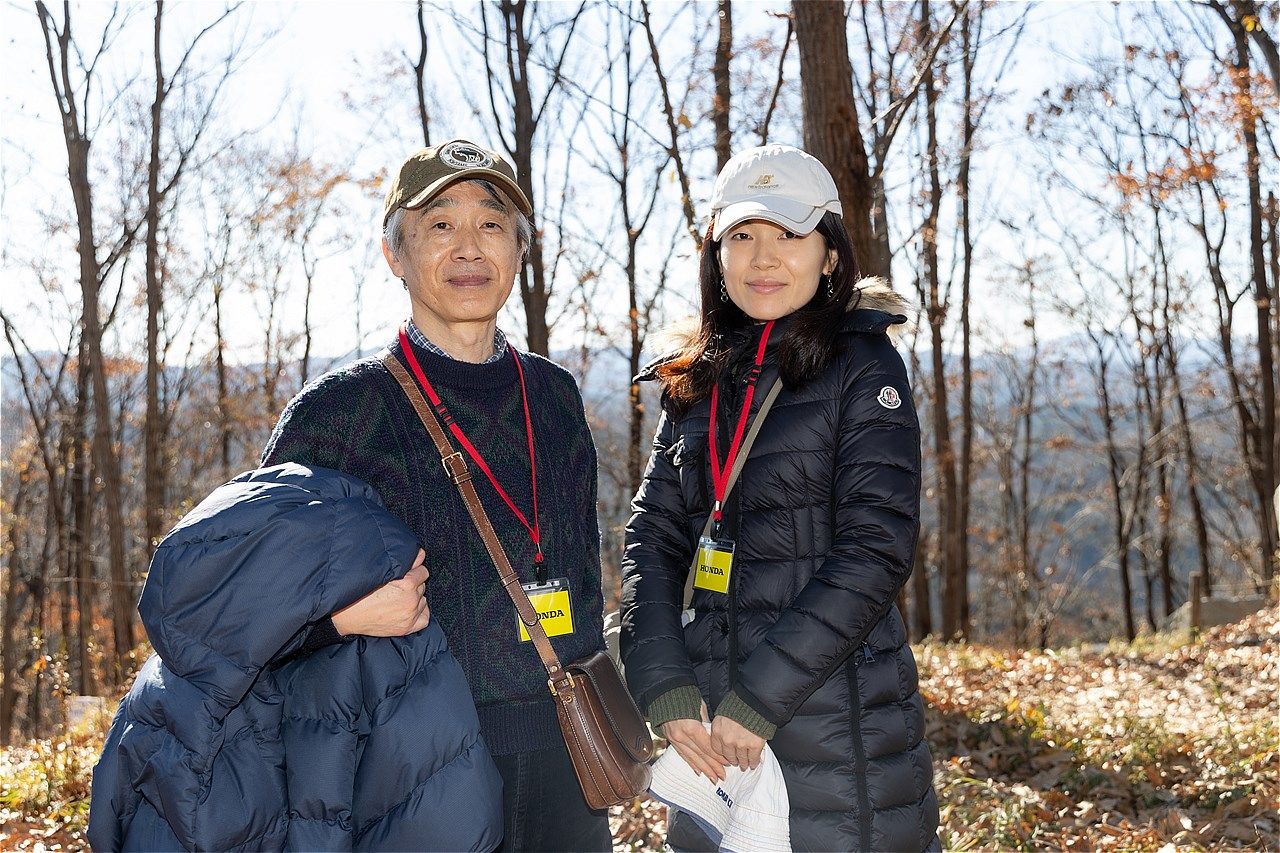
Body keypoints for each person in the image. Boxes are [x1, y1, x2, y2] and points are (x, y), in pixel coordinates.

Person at [262, 139, 611, 852]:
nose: (469, 248)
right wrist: (340, 619)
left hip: (567, 752)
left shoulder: (555, 395)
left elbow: (582, 565)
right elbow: (247, 602)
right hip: (412, 771)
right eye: (441, 224)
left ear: (520, 250)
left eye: (492, 224)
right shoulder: (338, 414)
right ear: (395, 254)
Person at [620, 144, 940, 852]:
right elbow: (653, 539)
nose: (763, 258)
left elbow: (876, 550)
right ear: (717, 254)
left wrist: (758, 699)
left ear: (830, 255)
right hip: (709, 737)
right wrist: (665, 688)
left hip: (838, 732)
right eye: (742, 235)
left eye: (789, 234)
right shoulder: (695, 380)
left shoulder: (864, 366)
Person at [88, 464, 504, 851]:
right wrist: (335, 622)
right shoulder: (383, 647)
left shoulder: (157, 684)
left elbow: (109, 821)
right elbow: (449, 814)